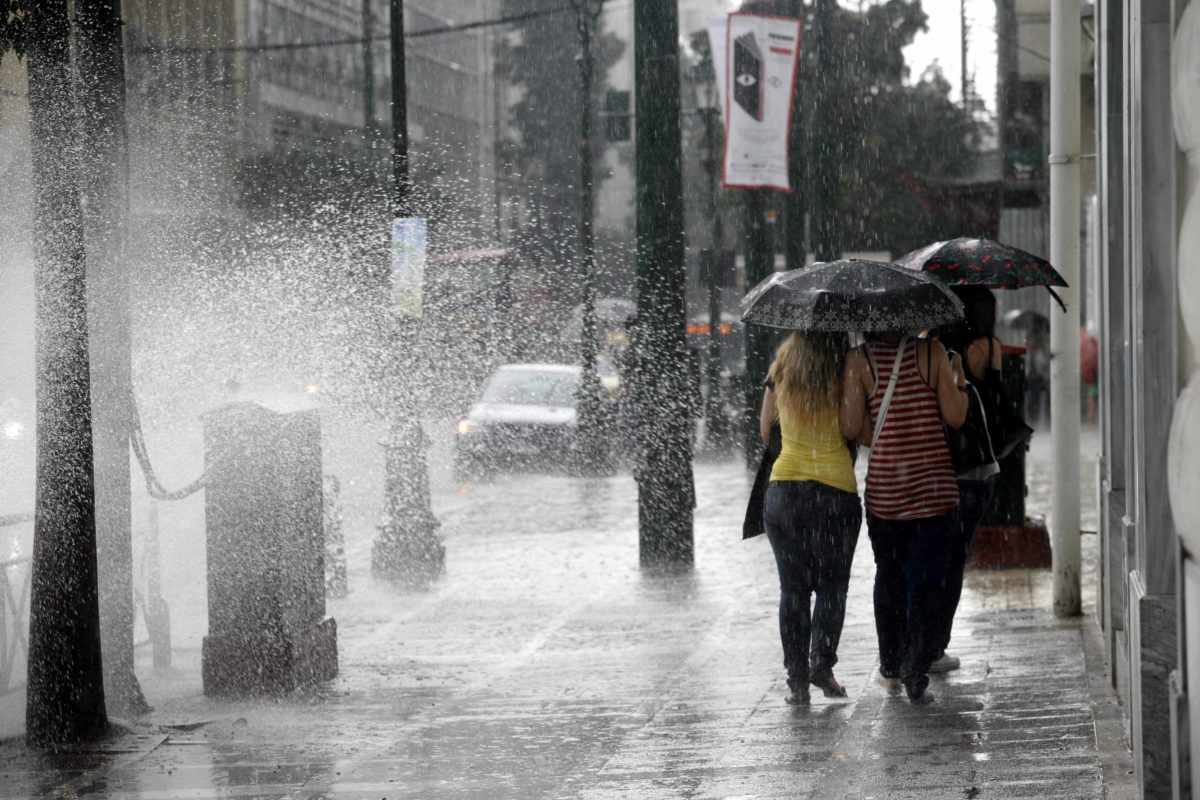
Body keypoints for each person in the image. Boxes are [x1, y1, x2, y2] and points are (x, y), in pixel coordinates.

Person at [840, 330, 968, 705]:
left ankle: (891, 666)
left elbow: (850, 427)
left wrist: (886, 434)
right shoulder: (932, 353)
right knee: (926, 582)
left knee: (889, 577)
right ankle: (917, 668)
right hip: (933, 488)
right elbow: (956, 416)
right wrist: (957, 379)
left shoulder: (858, 359)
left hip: (886, 493)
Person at [758, 332, 862, 705]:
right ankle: (822, 663)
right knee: (832, 587)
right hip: (834, 492)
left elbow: (765, 427)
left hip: (784, 492)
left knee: (793, 589)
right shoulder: (846, 365)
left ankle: (797, 682)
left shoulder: (783, 365)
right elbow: (852, 428)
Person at [929, 286, 1004, 674]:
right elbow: (995, 400)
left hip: (941, 466)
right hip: (977, 465)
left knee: (933, 558)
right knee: (954, 561)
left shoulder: (936, 352)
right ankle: (936, 642)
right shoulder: (987, 348)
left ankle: (924, 641)